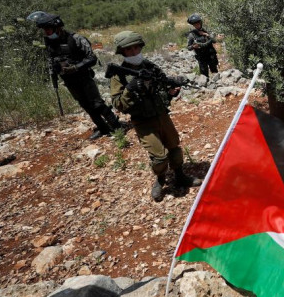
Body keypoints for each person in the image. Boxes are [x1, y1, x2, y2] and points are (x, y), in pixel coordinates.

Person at [109, 31, 201, 202]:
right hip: (143, 122)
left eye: (137, 47)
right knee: (159, 157)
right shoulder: (119, 75)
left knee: (174, 147)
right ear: (122, 52)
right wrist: (130, 88)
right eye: (129, 50)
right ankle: (160, 180)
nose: (135, 52)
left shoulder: (150, 66)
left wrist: (171, 91)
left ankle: (180, 175)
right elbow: (118, 104)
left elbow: (162, 88)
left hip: (161, 115)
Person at [28, 11, 121, 140]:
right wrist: (54, 69)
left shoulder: (76, 38)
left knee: (97, 104)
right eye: (45, 30)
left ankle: (117, 127)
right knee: (85, 105)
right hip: (69, 81)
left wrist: (75, 67)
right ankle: (103, 129)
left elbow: (92, 58)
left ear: (57, 27)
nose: (47, 33)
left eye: (48, 30)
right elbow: (52, 58)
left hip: (84, 78)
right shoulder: (49, 42)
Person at [186, 13, 219, 77]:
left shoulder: (206, 30)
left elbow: (214, 41)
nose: (197, 26)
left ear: (200, 23)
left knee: (215, 72)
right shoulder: (192, 35)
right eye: (195, 25)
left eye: (198, 24)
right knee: (204, 76)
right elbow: (188, 47)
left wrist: (206, 34)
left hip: (210, 55)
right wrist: (193, 46)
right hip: (201, 57)